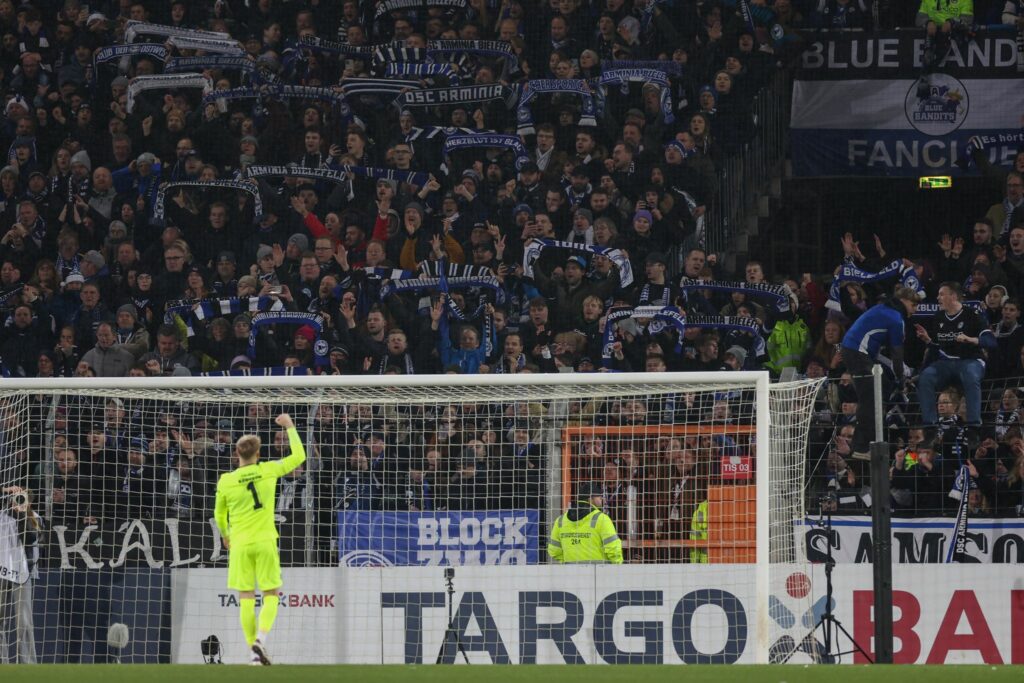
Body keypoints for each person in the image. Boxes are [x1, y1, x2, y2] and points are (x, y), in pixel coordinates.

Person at [214, 413, 307, 666]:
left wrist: (225, 535)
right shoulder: (267, 470)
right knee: (272, 594)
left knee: (245, 596)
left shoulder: (227, 480)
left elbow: (219, 514)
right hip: (265, 540)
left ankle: (253, 653)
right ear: (258, 453)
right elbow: (300, 457)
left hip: (240, 544)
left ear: (237, 453)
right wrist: (289, 427)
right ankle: (260, 641)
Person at [839, 286, 920, 460]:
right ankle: (861, 446)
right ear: (906, 301)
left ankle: (872, 437)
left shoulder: (882, 308)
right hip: (858, 353)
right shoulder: (896, 319)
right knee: (870, 398)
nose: (914, 312)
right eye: (914, 307)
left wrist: (895, 380)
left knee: (880, 387)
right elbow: (897, 355)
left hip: (854, 351)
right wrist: (901, 378)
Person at [915, 281, 996, 447]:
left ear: (953, 296)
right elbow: (939, 349)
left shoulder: (972, 315)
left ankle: (973, 428)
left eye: (941, 294)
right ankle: (930, 429)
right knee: (926, 377)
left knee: (970, 375)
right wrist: (929, 341)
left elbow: (991, 341)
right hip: (946, 361)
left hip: (971, 360)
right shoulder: (938, 318)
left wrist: (970, 339)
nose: (937, 298)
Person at [0, 485, 41, 663]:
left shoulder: (34, 519)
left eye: (23, 498)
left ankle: (27, 665)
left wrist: (22, 514)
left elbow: (30, 538)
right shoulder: (2, 516)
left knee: (23, 623)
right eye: (16, 498)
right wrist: (5, 490)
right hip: (1, 572)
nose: (18, 501)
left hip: (23, 574)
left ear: (29, 502)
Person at [547, 481, 623, 564]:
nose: (602, 500)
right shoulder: (601, 519)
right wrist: (617, 568)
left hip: (570, 573)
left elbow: (554, 550)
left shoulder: (561, 520)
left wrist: (567, 563)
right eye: (599, 497)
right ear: (590, 499)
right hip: (598, 573)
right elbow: (613, 549)